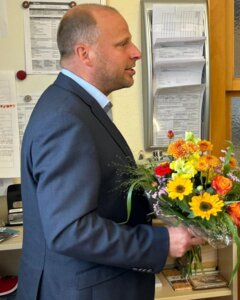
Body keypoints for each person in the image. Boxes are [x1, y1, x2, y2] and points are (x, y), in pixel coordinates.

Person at [17, 4, 203, 300]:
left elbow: (103, 196)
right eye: (122, 44)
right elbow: (70, 230)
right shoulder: (67, 118)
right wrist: (160, 243)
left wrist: (167, 203)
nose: (136, 52)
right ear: (84, 53)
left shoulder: (76, 106)